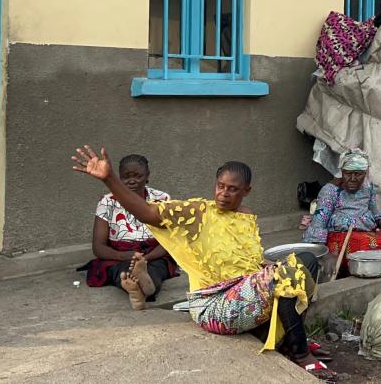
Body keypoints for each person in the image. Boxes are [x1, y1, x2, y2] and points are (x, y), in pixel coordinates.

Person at [71, 146, 333, 378]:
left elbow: (247, 256)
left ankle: (286, 338)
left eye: (232, 189)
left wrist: (262, 268)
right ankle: (300, 354)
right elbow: (147, 212)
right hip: (214, 306)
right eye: (220, 186)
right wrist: (109, 179)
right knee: (287, 273)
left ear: (246, 191)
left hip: (243, 295)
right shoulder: (197, 212)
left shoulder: (247, 216)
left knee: (306, 260)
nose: (223, 194)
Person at [78, 154, 177, 310]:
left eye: (138, 176)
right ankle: (139, 287)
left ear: (147, 176)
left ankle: (143, 286)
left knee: (157, 269)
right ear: (119, 177)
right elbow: (98, 247)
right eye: (126, 176)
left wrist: (145, 258)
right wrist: (124, 256)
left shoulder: (162, 198)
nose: (132, 180)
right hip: (119, 255)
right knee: (121, 271)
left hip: (153, 254)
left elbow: (170, 240)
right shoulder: (107, 201)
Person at [303, 148, 381, 258]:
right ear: (342, 172)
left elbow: (375, 215)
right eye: (348, 173)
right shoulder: (330, 191)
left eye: (358, 174)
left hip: (366, 234)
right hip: (340, 238)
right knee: (363, 245)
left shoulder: (368, 188)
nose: (353, 178)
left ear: (365, 174)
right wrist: (326, 256)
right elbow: (318, 227)